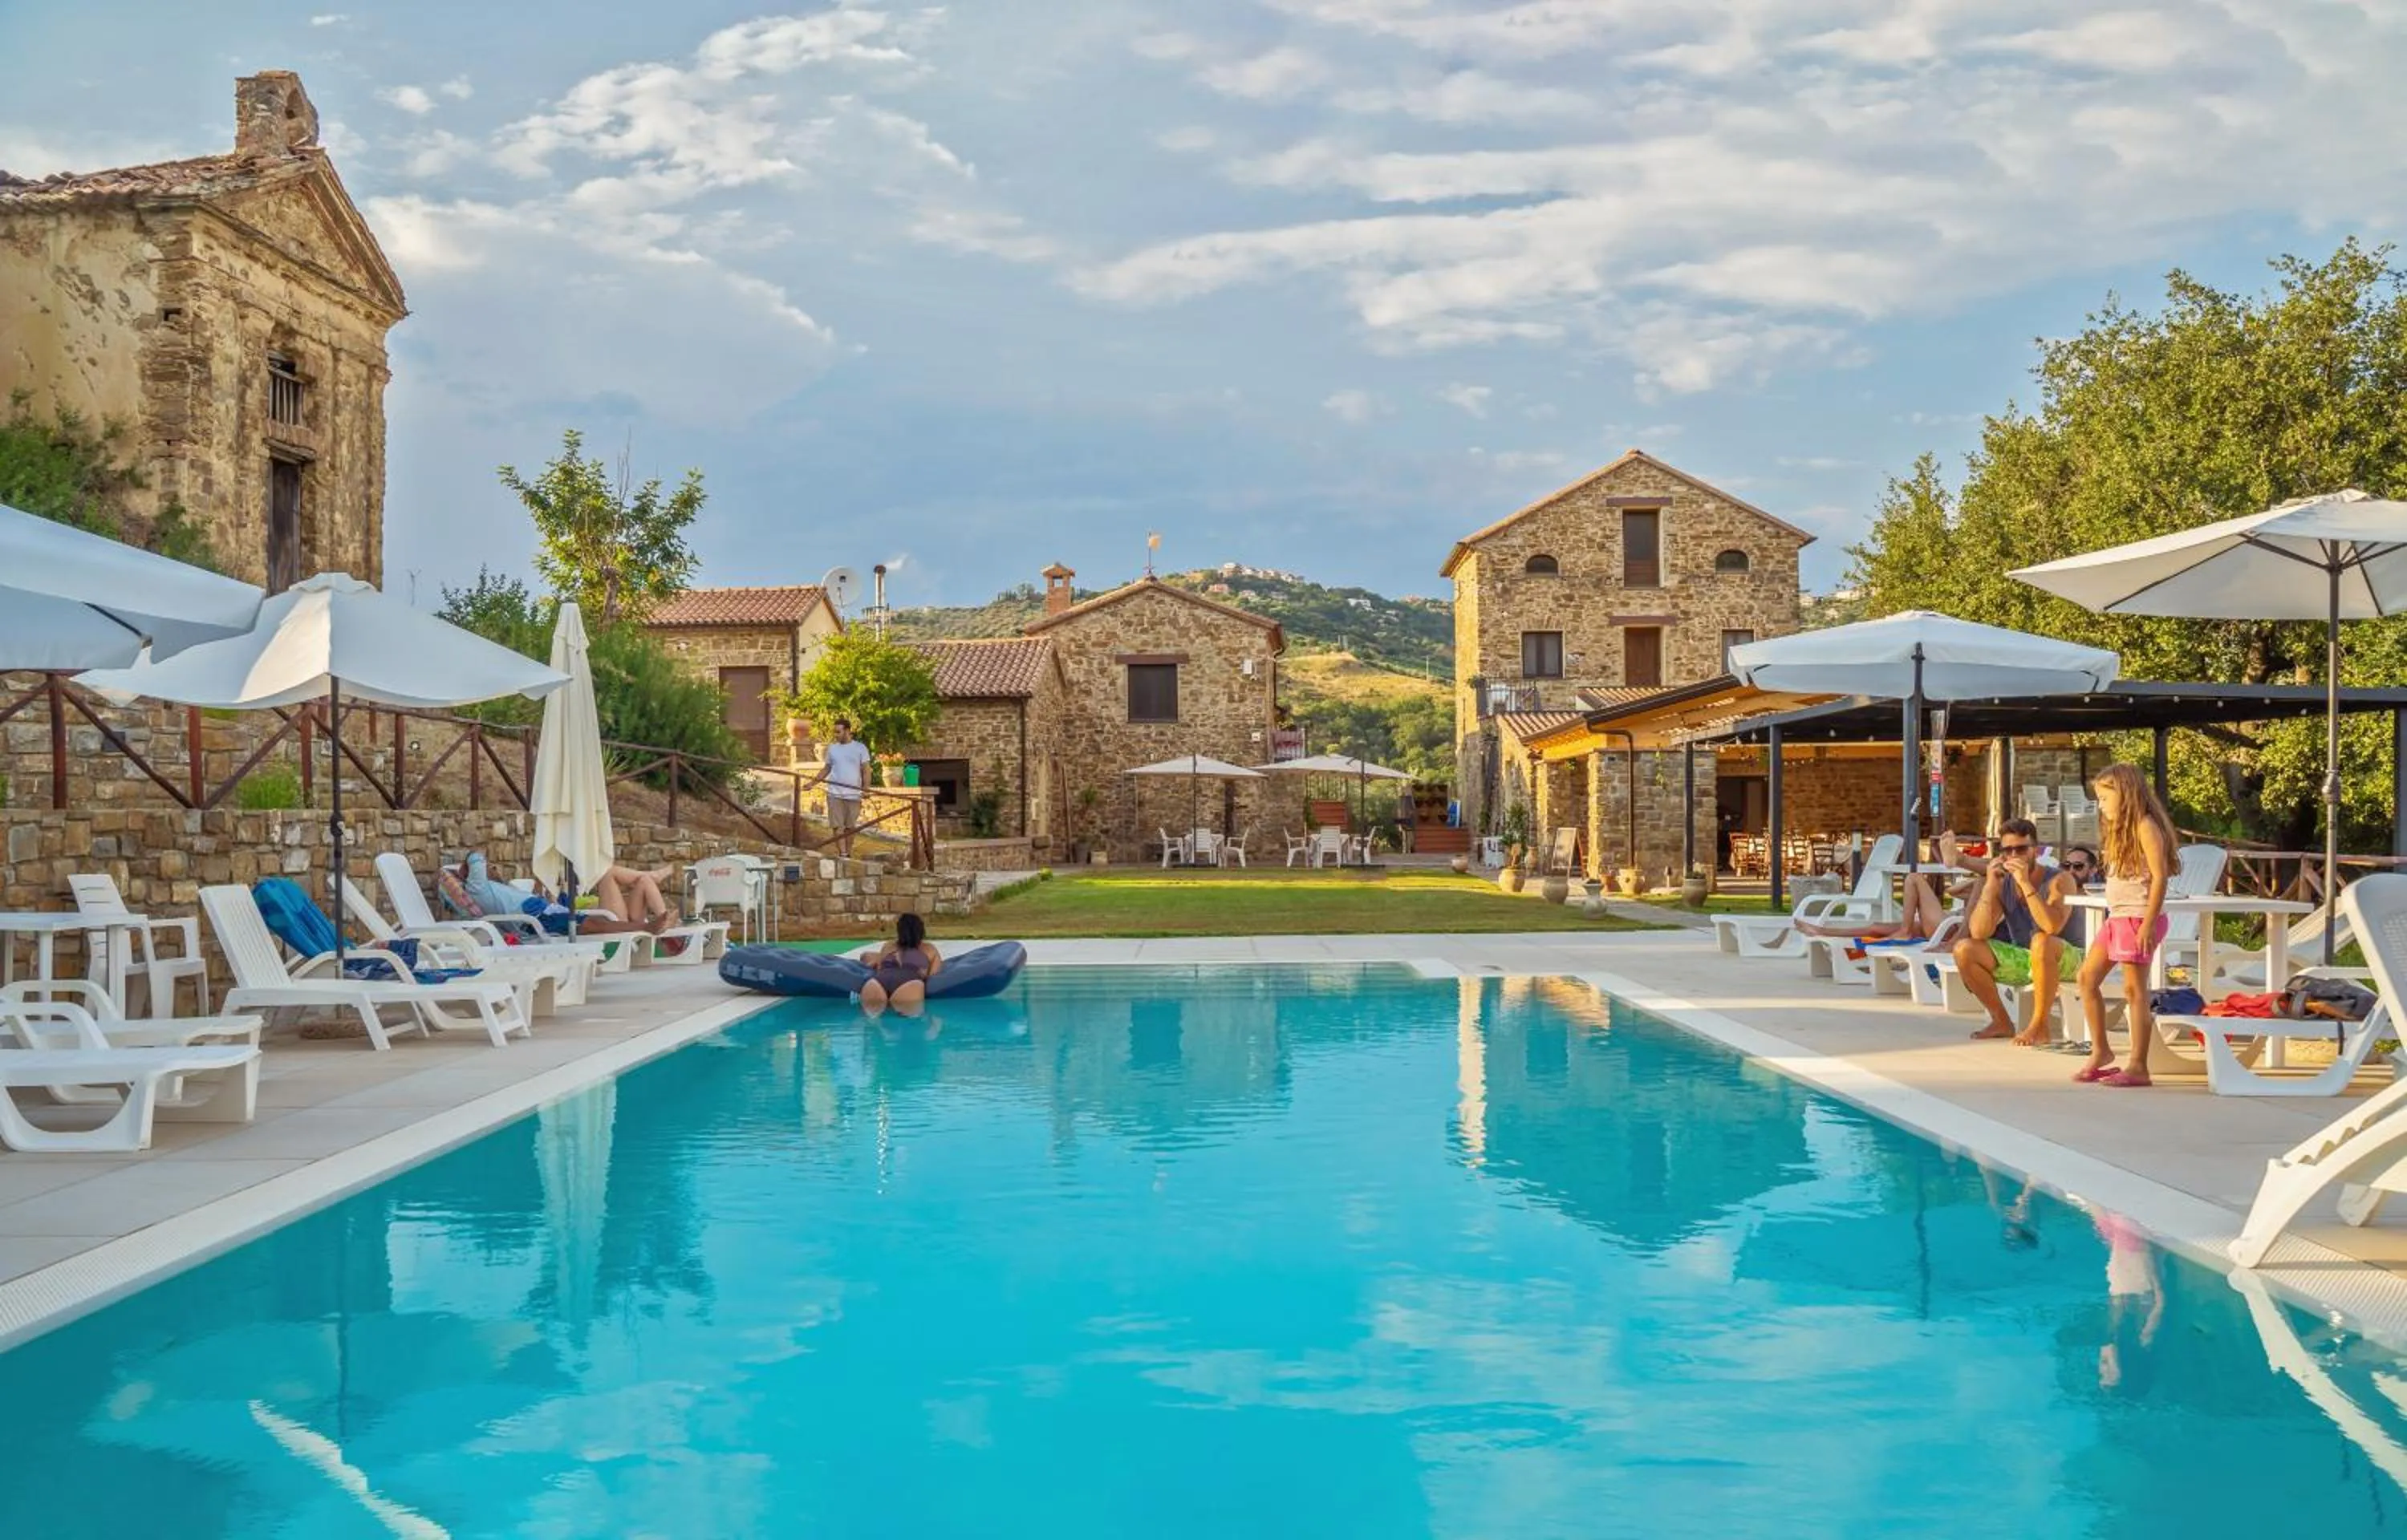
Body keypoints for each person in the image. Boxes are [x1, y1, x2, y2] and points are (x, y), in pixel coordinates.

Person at [2076, 764, 2177, 1087]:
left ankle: (2138, 1065)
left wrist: (2148, 923)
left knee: (2135, 990)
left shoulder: (2145, 826)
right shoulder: (2119, 831)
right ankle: (2101, 1050)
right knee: (2086, 978)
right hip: (2118, 917)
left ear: (2125, 795)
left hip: (2137, 917)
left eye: (2105, 798)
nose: (2101, 806)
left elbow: (2160, 877)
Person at [1949, 817, 2082, 1045]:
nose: (2014, 856)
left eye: (2021, 849)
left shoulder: (2060, 879)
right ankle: (2001, 1020)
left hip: (2073, 957)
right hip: (2028, 956)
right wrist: (1990, 885)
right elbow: (1979, 932)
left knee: (2041, 940)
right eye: (2008, 850)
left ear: (2036, 851)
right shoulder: (2003, 883)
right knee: (1964, 949)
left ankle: (2040, 1026)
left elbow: (2051, 927)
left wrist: (2026, 884)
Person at [859, 911, 941, 1014]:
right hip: (910, 984)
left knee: (874, 1022)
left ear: (899, 930)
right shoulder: (929, 949)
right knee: (908, 1025)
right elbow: (934, 975)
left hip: (877, 983)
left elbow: (880, 968)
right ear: (921, 930)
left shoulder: (888, 946)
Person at [822, 717, 872, 859]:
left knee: (851, 827)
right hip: (834, 793)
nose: (836, 735)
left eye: (838, 732)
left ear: (848, 731)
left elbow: (866, 770)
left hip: (853, 794)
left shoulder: (860, 748)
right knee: (838, 826)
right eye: (835, 732)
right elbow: (826, 768)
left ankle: (848, 853)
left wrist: (866, 789)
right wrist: (812, 783)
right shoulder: (832, 749)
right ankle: (843, 854)